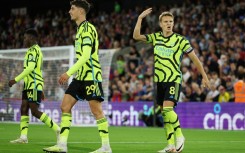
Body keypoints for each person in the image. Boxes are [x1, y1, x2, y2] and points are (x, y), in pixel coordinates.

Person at [133, 8, 210, 153]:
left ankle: (180, 136)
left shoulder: (181, 40)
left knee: (168, 110)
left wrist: (204, 76)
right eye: (166, 22)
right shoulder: (156, 37)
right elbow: (136, 36)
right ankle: (170, 145)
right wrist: (140, 18)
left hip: (173, 79)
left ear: (173, 23)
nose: (169, 24)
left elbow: (195, 59)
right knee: (164, 114)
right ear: (161, 24)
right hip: (159, 81)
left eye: (171, 21)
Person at [43, 1, 112, 153]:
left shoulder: (87, 29)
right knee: (65, 106)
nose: (69, 11)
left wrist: (68, 73)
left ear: (81, 11)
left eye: (72, 9)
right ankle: (62, 145)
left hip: (91, 76)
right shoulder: (80, 30)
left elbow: (86, 56)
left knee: (96, 111)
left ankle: (106, 147)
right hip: (80, 76)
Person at [9, 28, 60, 144]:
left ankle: (57, 129)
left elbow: (31, 68)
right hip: (29, 85)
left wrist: (15, 80)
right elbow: (38, 70)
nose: (24, 39)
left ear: (31, 38)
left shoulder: (33, 51)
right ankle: (23, 137)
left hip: (33, 84)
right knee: (23, 108)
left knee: (34, 111)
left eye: (25, 37)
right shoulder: (33, 50)